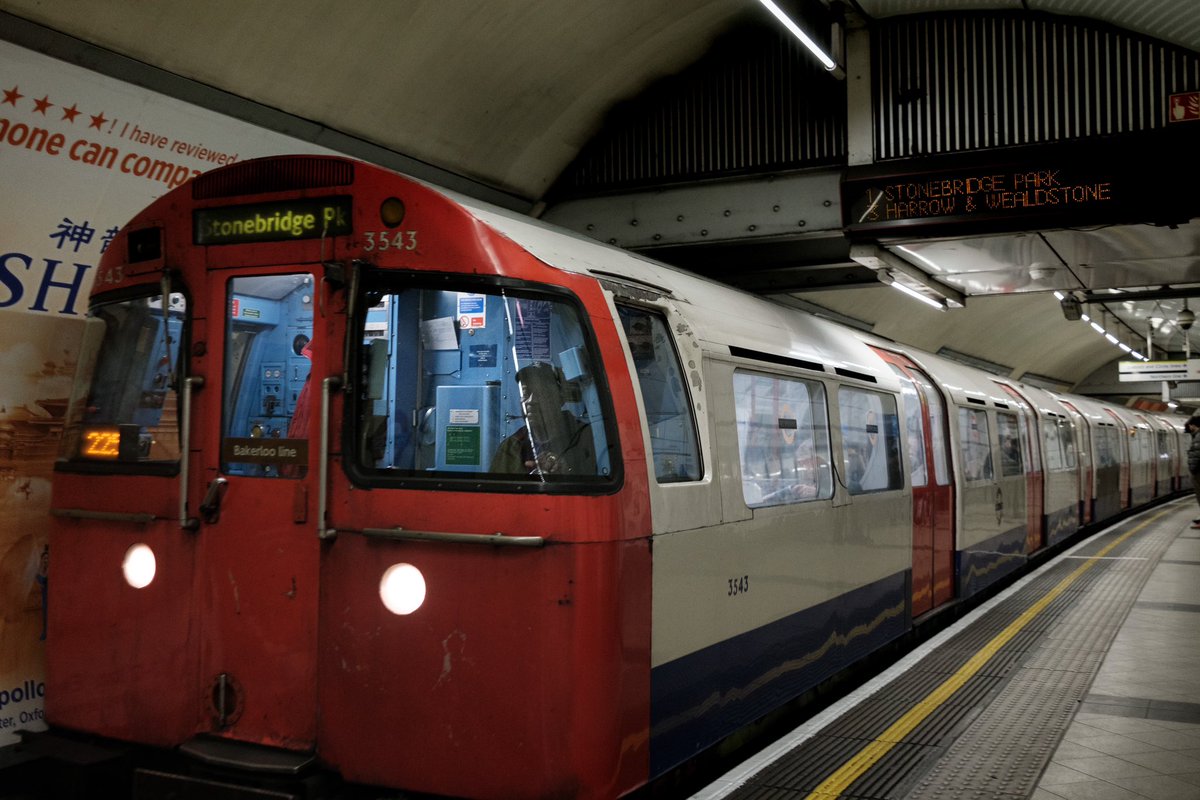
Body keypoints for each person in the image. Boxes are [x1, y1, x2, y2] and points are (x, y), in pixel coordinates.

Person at [490, 362, 595, 476]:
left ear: (559, 398)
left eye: (541, 393)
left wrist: (566, 473)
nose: (531, 401)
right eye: (525, 393)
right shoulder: (511, 446)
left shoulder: (585, 436)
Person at [1187, 416, 1200, 528]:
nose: (1189, 427)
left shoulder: (1198, 438)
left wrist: (1193, 469)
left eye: (1190, 425)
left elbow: (1196, 455)